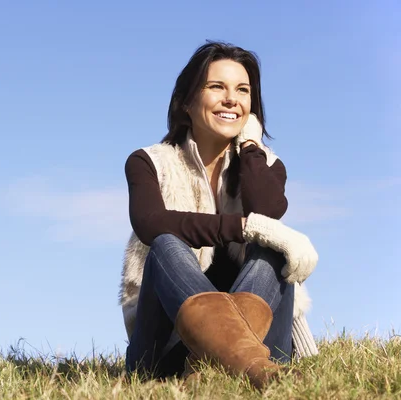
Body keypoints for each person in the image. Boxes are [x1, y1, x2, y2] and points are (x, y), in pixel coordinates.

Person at [118, 41, 319, 390]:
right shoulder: (147, 162)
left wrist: (251, 147)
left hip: (266, 343)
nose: (232, 99)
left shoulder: (266, 165)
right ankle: (246, 366)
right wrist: (247, 227)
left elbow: (266, 214)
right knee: (167, 244)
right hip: (165, 352)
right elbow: (150, 223)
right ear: (186, 102)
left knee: (270, 247)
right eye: (217, 87)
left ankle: (216, 363)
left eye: (243, 90)